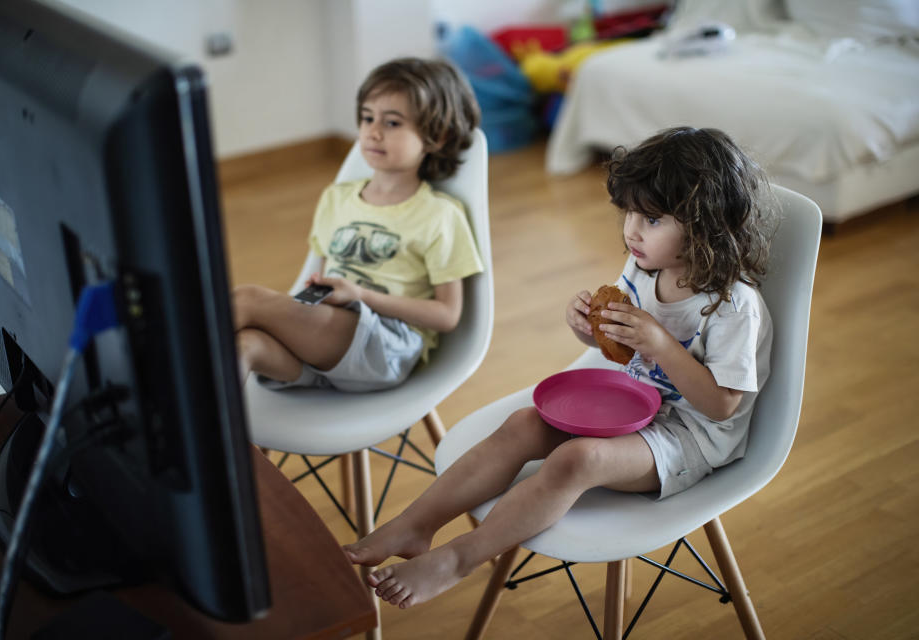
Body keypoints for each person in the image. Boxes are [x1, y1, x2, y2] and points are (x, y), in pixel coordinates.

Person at [343, 126, 776, 609]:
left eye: (652, 219)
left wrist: (662, 345)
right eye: (630, 212)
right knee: (523, 423)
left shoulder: (732, 306)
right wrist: (588, 331)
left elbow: (721, 406)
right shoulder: (643, 269)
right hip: (633, 406)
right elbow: (619, 350)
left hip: (688, 438)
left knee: (577, 460)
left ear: (706, 225)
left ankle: (459, 558)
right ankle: (415, 524)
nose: (632, 229)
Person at [232, 58, 483, 392]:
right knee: (245, 346)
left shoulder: (440, 215)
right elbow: (317, 282)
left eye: (392, 123)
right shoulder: (336, 199)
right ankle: (224, 444)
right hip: (324, 347)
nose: (372, 132)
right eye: (367, 118)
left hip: (386, 346)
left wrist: (361, 295)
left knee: (246, 300)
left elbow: (447, 315)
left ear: (437, 136)